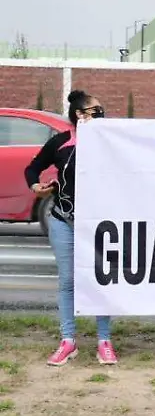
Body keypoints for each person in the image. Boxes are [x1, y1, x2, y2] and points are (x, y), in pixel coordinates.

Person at [25, 90, 118, 367]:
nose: (102, 113)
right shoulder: (60, 143)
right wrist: (36, 187)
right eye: (96, 109)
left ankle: (104, 341)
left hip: (99, 226)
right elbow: (33, 168)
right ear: (80, 115)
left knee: (101, 280)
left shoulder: (111, 142)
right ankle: (68, 341)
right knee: (68, 282)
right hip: (63, 220)